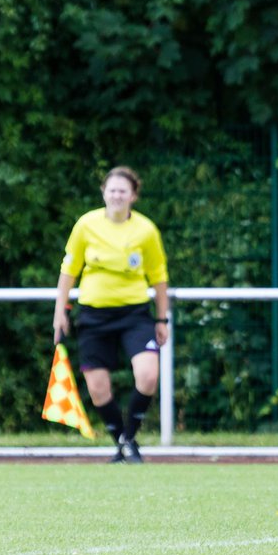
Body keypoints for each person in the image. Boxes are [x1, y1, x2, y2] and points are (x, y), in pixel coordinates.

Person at [53, 166, 170, 464]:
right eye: (112, 189)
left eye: (123, 190)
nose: (117, 195)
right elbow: (69, 270)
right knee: (97, 387)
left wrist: (161, 318)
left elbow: (158, 277)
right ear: (104, 192)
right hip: (94, 315)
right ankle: (122, 441)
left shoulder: (146, 230)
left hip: (135, 314)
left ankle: (128, 439)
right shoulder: (86, 224)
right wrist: (60, 312)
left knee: (147, 375)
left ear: (133, 195)